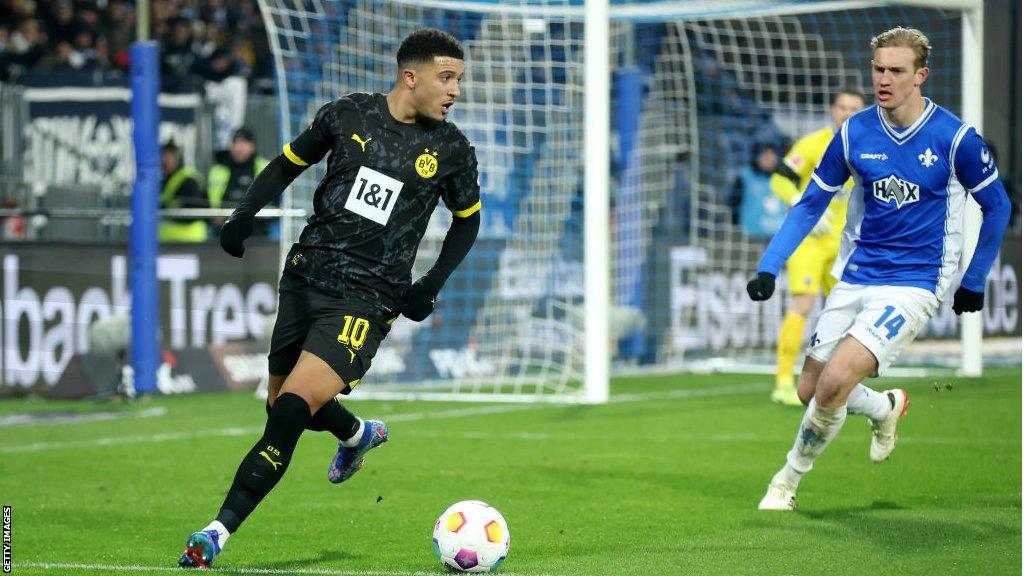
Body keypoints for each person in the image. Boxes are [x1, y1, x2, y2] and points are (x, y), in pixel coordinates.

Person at [177, 28, 480, 567]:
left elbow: (466, 223)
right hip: (305, 277)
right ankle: (358, 432)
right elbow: (287, 163)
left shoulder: (452, 150)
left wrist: (431, 283)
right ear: (410, 77)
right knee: (281, 404)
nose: (456, 90)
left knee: (289, 413)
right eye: (447, 78)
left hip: (369, 298)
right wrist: (242, 216)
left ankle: (216, 532)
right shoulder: (348, 116)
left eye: (458, 79)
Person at [746, 26, 1010, 511]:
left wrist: (973, 279)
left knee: (834, 381)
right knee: (811, 390)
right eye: (878, 69)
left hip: (914, 283)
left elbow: (998, 206)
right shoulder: (854, 132)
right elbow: (809, 204)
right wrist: (769, 266)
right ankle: (885, 406)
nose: (884, 79)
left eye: (896, 70)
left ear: (921, 75)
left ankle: (785, 482)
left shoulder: (955, 138)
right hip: (857, 273)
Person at [767, 90, 866, 405]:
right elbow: (780, 180)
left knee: (845, 311)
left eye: (854, 108)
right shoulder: (812, 143)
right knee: (803, 305)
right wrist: (801, 203)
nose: (847, 113)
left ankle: (837, 381)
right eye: (842, 107)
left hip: (845, 244)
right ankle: (783, 382)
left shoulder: (869, 145)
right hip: (809, 241)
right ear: (831, 110)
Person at [207, 127, 270, 235]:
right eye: (236, 143)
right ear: (231, 146)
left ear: (252, 147)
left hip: (257, 233)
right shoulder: (217, 170)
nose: (240, 147)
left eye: (244, 143)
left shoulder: (265, 167)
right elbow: (206, 200)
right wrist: (214, 215)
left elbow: (275, 202)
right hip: (222, 233)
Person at [159, 140, 208, 243]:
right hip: (170, 240)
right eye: (162, 156)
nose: (164, 160)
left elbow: (195, 209)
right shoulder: (165, 179)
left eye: (167, 156)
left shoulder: (188, 179)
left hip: (189, 239)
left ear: (176, 157)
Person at [737, 143, 786, 239]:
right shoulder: (746, 177)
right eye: (765, 155)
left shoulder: (785, 179)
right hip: (752, 236)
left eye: (772, 155)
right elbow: (734, 203)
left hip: (778, 235)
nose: (769, 159)